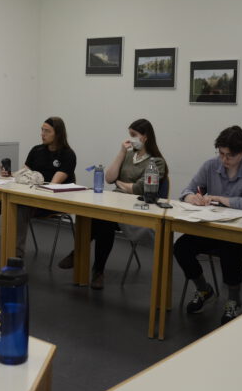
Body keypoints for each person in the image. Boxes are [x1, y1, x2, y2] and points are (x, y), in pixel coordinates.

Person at [57, 119, 167, 290]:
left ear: (145, 137)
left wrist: (121, 183)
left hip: (138, 207)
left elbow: (140, 189)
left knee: (104, 221)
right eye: (129, 135)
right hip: (117, 202)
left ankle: (87, 261)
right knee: (98, 216)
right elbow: (109, 178)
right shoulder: (129, 155)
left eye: (134, 135)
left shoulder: (157, 161)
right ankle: (92, 267)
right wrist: (122, 153)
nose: (130, 139)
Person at [173, 125, 242, 325]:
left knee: (229, 247)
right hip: (213, 228)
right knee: (181, 247)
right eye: (221, 153)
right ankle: (203, 289)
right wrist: (192, 197)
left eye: (230, 156)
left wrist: (220, 199)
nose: (224, 160)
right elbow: (186, 190)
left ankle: (233, 300)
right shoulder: (210, 165)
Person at [4, 117, 76, 259]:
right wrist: (9, 175)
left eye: (47, 131)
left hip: (54, 200)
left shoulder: (68, 154)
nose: (42, 134)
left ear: (58, 134)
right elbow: (24, 174)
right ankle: (9, 251)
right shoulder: (36, 150)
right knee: (13, 203)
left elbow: (54, 184)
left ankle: (15, 256)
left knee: (18, 206)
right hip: (33, 196)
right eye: (42, 130)